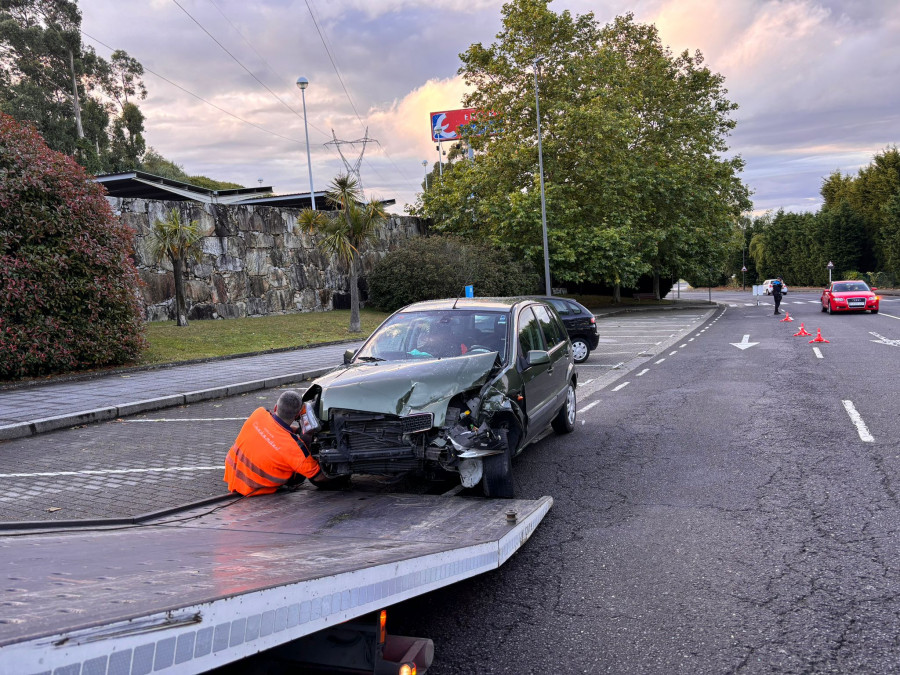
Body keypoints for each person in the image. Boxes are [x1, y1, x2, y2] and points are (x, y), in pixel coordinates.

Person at [224, 390, 328, 496]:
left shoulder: (259, 413)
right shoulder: (296, 448)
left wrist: (296, 431)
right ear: (297, 416)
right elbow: (318, 477)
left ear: (275, 407)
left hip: (232, 475)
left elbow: (274, 428)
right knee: (300, 474)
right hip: (252, 488)